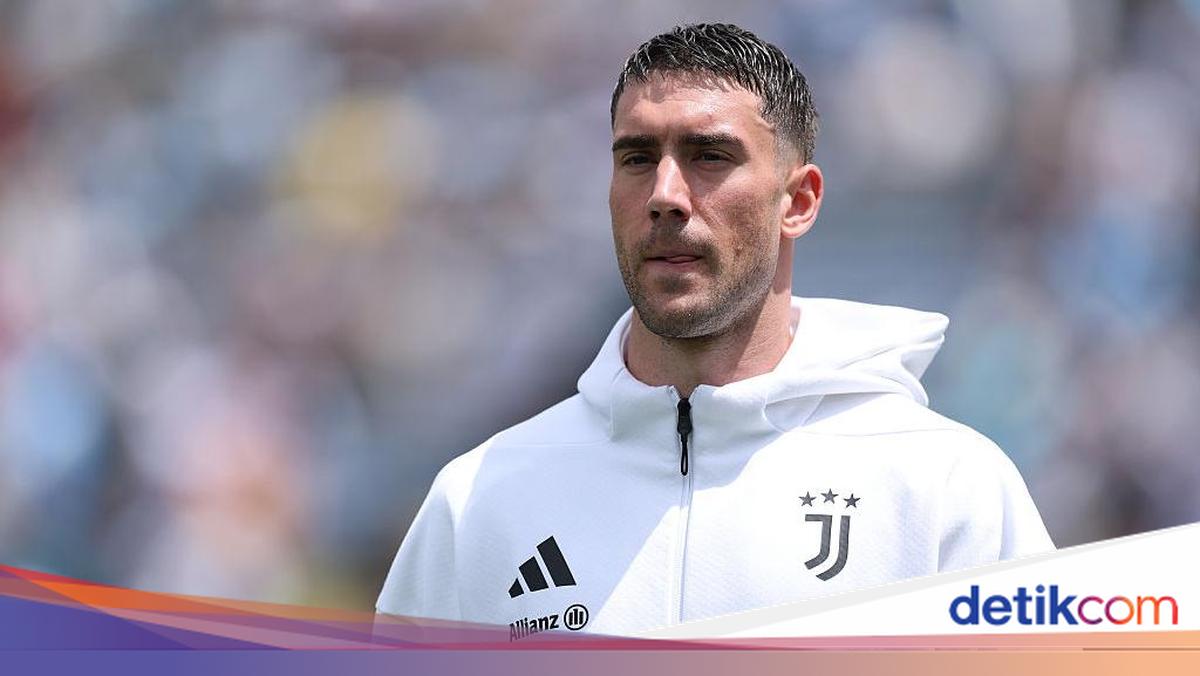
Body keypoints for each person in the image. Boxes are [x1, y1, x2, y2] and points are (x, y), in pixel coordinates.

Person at [376, 23, 1053, 638]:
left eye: (709, 156)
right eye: (637, 158)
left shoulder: (943, 488)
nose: (665, 195)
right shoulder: (480, 500)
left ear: (798, 201)